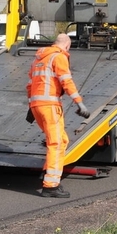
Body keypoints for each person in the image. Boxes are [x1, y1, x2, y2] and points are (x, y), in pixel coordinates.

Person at [26, 33, 91, 198]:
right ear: (67, 45)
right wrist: (79, 103)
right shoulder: (59, 57)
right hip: (50, 106)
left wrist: (31, 107)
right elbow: (66, 81)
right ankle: (51, 186)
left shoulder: (38, 59)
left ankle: (48, 172)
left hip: (37, 105)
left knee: (62, 140)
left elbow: (30, 85)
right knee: (56, 143)